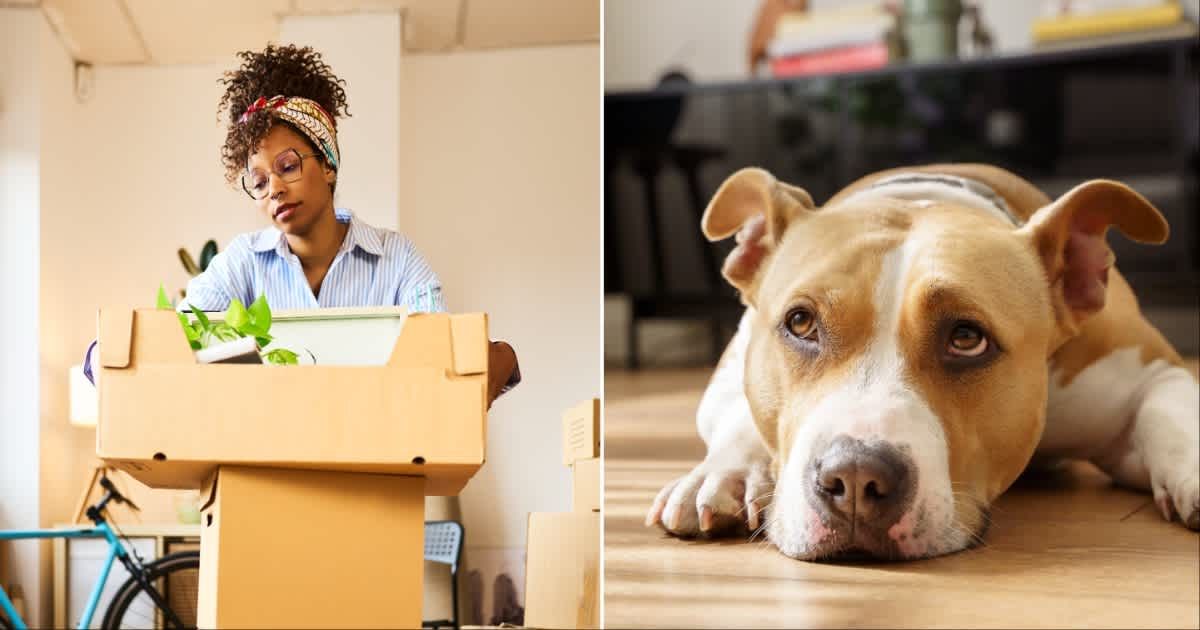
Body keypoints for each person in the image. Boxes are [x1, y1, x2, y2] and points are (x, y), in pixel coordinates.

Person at [86, 43, 517, 403]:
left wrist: (491, 359)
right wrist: (111, 354)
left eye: (287, 166)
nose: (273, 188)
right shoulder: (243, 264)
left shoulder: (396, 258)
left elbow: (441, 348)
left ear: (328, 164)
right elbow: (179, 335)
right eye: (258, 181)